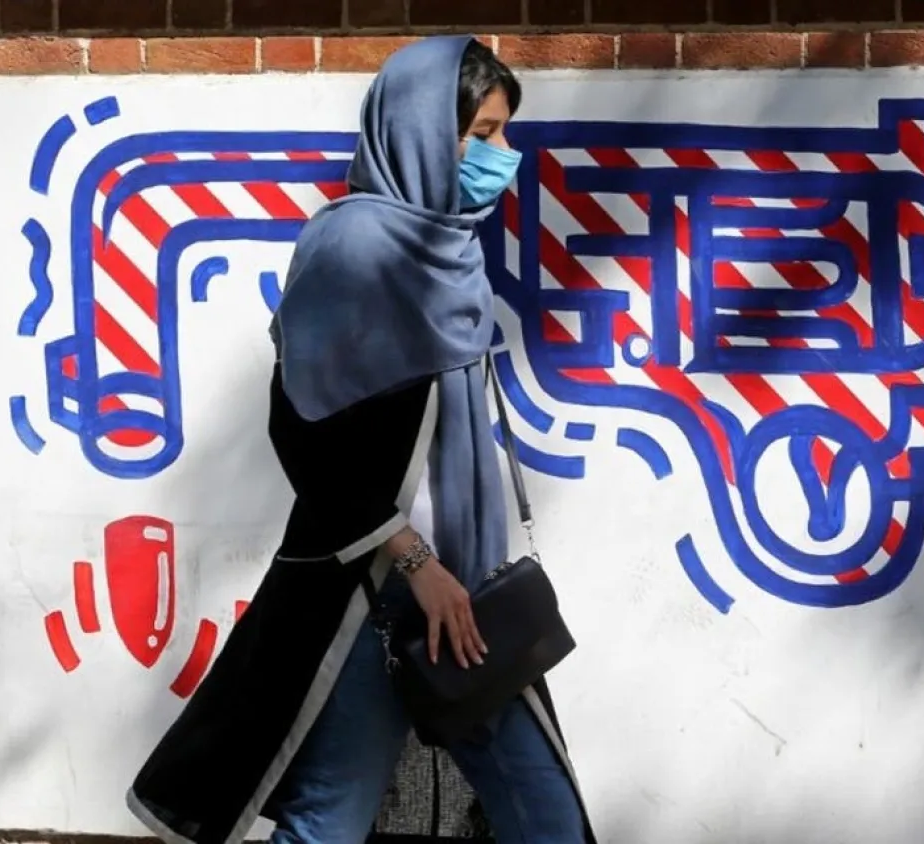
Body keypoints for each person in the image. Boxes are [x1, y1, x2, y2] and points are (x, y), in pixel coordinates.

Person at [125, 35, 594, 844]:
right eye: (481, 134)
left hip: (469, 594)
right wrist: (415, 564)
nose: (502, 156)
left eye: (503, 133)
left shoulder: (450, 252)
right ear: (418, 130)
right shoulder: (351, 250)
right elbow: (306, 434)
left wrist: (454, 576)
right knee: (329, 823)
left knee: (543, 812)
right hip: (374, 598)